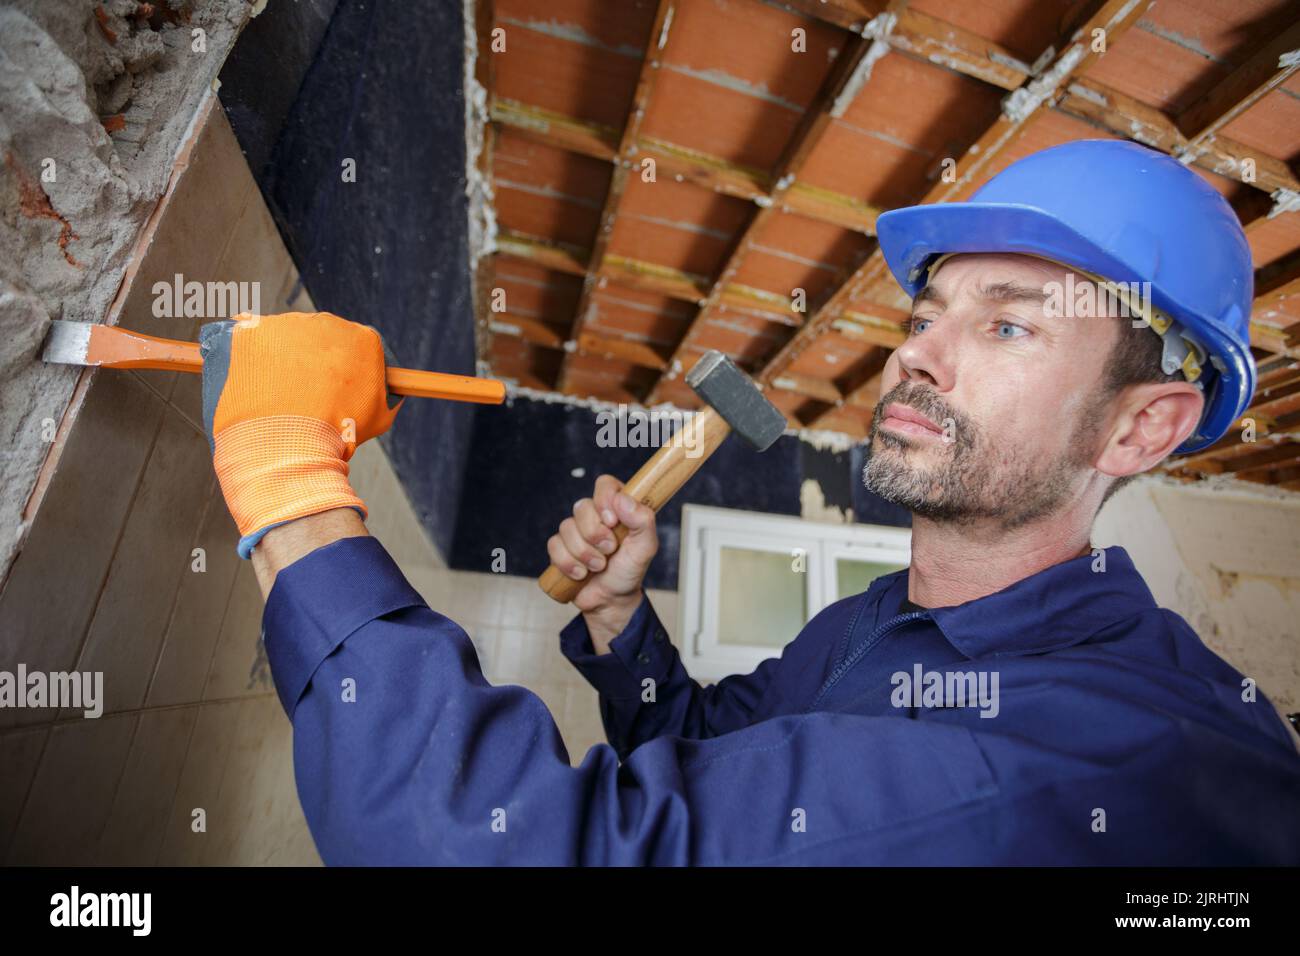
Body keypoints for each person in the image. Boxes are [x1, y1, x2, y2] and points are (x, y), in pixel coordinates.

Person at [200, 140, 1300, 865]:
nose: (916, 358)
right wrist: (623, 618)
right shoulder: (875, 621)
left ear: (1139, 426)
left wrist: (288, 476)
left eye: (1007, 323)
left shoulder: (1109, 754)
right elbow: (706, 742)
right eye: (926, 316)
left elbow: (504, 844)